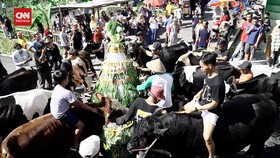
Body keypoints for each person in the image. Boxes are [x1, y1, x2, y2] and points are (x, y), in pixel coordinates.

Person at [182, 52, 225, 158]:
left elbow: (214, 104)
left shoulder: (218, 82)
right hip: (202, 102)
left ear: (209, 65)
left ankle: (211, 155)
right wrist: (199, 93)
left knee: (207, 138)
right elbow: (206, 86)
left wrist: (197, 108)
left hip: (211, 111)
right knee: (183, 109)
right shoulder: (208, 74)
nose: (201, 69)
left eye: (202, 66)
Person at [50, 69, 98, 151]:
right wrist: (92, 109)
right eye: (67, 78)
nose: (68, 79)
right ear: (64, 80)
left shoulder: (57, 87)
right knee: (81, 125)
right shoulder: (66, 92)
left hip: (54, 110)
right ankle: (74, 144)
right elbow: (79, 104)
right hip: (61, 114)